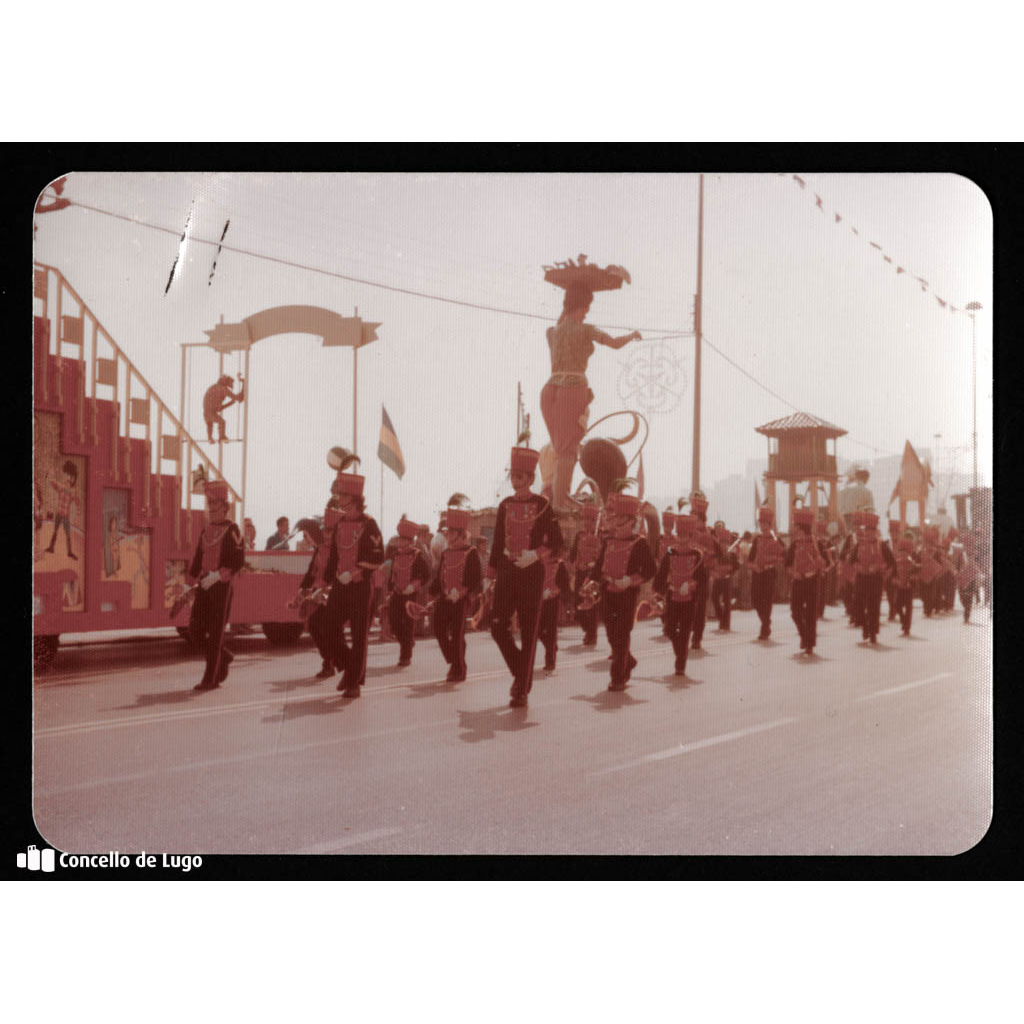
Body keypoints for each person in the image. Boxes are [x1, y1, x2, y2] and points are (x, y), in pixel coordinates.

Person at [541, 283, 642, 511]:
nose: (586, 312)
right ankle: (559, 503)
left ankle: (561, 498)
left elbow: (562, 321)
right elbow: (614, 344)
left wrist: (573, 286)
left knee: (562, 450)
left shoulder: (553, 332)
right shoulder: (587, 330)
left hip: (549, 393)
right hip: (572, 390)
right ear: (579, 306)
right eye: (585, 307)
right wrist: (631, 336)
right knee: (568, 451)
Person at [488, 443, 563, 708]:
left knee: (529, 631)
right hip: (508, 571)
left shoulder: (542, 505)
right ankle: (522, 670)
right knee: (497, 627)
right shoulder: (505, 505)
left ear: (531, 478)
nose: (515, 481)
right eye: (513, 476)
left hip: (531, 572)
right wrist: (490, 574)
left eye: (520, 476)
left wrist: (535, 554)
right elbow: (497, 542)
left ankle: (521, 688)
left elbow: (557, 543)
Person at [322, 470, 385, 697]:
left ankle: (353, 683)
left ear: (355, 499)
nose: (340, 499)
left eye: (344, 496)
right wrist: (328, 579)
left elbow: (378, 557)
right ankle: (350, 667)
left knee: (359, 635)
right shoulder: (339, 524)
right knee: (327, 627)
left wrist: (357, 571)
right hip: (340, 584)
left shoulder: (369, 525)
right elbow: (334, 556)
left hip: (359, 586)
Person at [588, 490, 657, 691]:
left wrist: (631, 580)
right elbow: (598, 566)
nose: (616, 521)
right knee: (611, 634)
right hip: (608, 594)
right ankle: (628, 660)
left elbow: (650, 569)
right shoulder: (608, 541)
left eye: (621, 518)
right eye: (615, 517)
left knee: (622, 634)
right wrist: (591, 581)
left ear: (631, 521)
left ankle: (617, 678)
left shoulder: (640, 543)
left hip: (627, 596)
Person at [187, 480, 244, 690]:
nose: (210, 508)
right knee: (194, 630)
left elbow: (238, 561)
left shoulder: (233, 530)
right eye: (209, 503)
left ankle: (209, 679)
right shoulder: (206, 529)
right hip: (204, 585)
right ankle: (225, 656)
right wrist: (190, 583)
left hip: (221, 586)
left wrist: (218, 576)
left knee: (215, 634)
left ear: (224, 506)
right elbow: (198, 558)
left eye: (214, 503)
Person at [431, 509, 483, 682]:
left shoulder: (471, 552)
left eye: (451, 532)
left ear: (461, 535)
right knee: (437, 626)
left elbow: (476, 578)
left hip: (462, 599)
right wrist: (437, 594)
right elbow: (440, 576)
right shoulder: (445, 553)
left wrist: (463, 592)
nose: (447, 535)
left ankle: (458, 669)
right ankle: (454, 659)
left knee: (457, 634)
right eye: (447, 532)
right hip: (446, 598)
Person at [653, 513, 703, 676]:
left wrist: (691, 585)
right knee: (669, 629)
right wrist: (657, 592)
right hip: (672, 597)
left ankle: (680, 663)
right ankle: (681, 652)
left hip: (689, 599)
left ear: (690, 536)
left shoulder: (697, 555)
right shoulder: (670, 552)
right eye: (679, 534)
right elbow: (661, 574)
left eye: (684, 535)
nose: (681, 538)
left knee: (685, 631)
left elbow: (702, 579)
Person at [298, 504, 340, 678]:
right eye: (325, 531)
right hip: (318, 594)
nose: (326, 534)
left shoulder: (340, 551)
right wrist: (303, 587)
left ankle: (330, 663)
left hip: (334, 594)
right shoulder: (320, 549)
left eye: (330, 531)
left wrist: (325, 587)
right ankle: (329, 660)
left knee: (325, 627)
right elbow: (311, 570)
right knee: (315, 627)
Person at [388, 517, 431, 667]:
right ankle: (408, 642)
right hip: (397, 593)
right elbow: (392, 575)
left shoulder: (417, 555)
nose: (399, 542)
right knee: (393, 619)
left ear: (409, 541)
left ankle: (405, 656)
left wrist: (413, 586)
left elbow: (425, 574)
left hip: (410, 595)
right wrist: (390, 589)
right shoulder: (396, 555)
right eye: (399, 539)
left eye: (402, 539)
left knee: (407, 624)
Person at [848, 509, 895, 644]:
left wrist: (881, 570)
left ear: (875, 531)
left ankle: (873, 632)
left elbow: (891, 562)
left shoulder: (882, 545)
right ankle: (864, 626)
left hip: (875, 579)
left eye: (871, 530)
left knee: (874, 607)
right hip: (861, 578)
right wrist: (859, 568)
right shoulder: (859, 544)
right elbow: (852, 561)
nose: (869, 533)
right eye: (867, 530)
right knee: (858, 604)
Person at [785, 507, 826, 655]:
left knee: (810, 613)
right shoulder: (794, 545)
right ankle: (804, 635)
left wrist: (818, 565)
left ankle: (810, 644)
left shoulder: (817, 544)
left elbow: (827, 563)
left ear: (804, 529)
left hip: (812, 581)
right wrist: (793, 573)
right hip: (797, 581)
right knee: (795, 612)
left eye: (797, 529)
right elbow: (787, 564)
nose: (795, 531)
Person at [686, 491, 718, 651]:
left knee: (699, 609)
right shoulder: (687, 534)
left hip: (702, 574)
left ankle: (697, 638)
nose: (692, 519)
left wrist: (704, 553)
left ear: (701, 519)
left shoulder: (708, 535)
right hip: (686, 573)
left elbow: (714, 555)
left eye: (695, 517)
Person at [748, 506, 784, 640]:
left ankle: (764, 629)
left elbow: (784, 556)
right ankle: (766, 622)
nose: (762, 525)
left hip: (769, 573)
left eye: (765, 523)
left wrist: (771, 562)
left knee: (767, 601)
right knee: (755, 600)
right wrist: (754, 567)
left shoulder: (776, 539)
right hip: (757, 573)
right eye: (761, 523)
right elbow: (750, 559)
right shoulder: (756, 540)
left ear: (769, 524)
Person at [570, 502, 603, 646]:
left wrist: (595, 565)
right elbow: (572, 554)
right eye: (585, 520)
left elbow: (604, 556)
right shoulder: (579, 535)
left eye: (591, 520)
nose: (587, 523)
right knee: (578, 604)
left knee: (592, 605)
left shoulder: (600, 535)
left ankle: (592, 635)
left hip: (593, 576)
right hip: (580, 573)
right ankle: (587, 629)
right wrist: (573, 565)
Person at [537, 551, 571, 673]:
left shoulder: (559, 564)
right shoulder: (536, 562)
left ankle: (550, 662)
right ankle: (551, 646)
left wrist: (556, 592)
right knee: (538, 630)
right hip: (538, 600)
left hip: (552, 599)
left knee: (551, 631)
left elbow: (565, 584)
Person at [44, 460, 79, 559]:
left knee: (67, 534)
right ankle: (51, 547)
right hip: (59, 513)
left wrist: (77, 515)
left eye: (72, 478)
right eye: (69, 477)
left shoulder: (72, 490)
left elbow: (75, 498)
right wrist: (49, 477)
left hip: (65, 515)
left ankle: (69, 552)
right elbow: (56, 485)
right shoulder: (63, 486)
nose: (69, 479)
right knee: (55, 530)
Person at [709, 520, 739, 632]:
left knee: (727, 602)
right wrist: (714, 573)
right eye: (722, 543)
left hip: (727, 579)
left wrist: (730, 571)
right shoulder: (715, 552)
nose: (724, 545)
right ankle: (721, 618)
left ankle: (726, 624)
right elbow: (711, 564)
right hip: (718, 579)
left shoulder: (732, 554)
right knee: (715, 598)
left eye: (726, 543)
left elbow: (737, 566)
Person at [891, 529, 920, 637]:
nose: (903, 554)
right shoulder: (896, 563)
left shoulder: (912, 564)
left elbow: (916, 575)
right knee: (897, 605)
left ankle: (907, 627)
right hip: (899, 588)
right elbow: (893, 576)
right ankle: (903, 620)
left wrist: (911, 582)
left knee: (908, 608)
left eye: (905, 552)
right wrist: (896, 581)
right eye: (901, 552)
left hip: (908, 589)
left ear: (908, 552)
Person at [202, 374, 243, 444]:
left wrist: (231, 402)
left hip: (207, 413)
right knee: (222, 422)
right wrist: (244, 385)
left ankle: (210, 437)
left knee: (210, 424)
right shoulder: (223, 389)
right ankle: (221, 437)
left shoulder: (214, 387)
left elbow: (219, 408)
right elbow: (238, 398)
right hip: (211, 412)